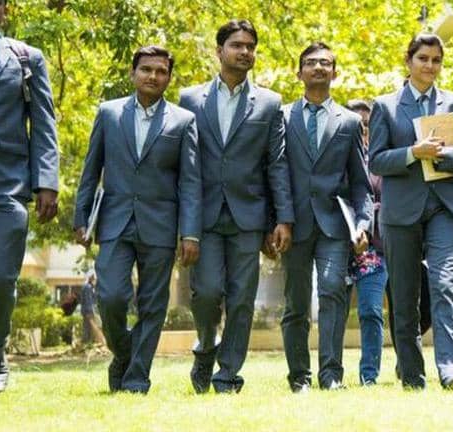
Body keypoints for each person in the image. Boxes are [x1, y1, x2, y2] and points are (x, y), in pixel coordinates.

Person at [74, 45, 201, 393]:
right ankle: (124, 354)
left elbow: (190, 182)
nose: (153, 76)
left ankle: (136, 378)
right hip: (114, 221)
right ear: (133, 73)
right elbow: (91, 170)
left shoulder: (183, 121)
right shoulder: (109, 113)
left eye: (161, 71)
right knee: (111, 296)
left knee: (153, 306)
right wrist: (81, 217)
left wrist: (190, 233)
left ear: (169, 78)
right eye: (146, 69)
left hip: (161, 225)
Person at [179, 19, 294, 394]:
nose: (244, 52)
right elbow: (184, 165)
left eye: (250, 46)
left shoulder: (270, 103)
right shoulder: (190, 99)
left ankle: (228, 375)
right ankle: (205, 346)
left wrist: (282, 219)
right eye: (236, 45)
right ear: (219, 51)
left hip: (249, 215)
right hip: (204, 215)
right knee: (207, 292)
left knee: (242, 299)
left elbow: (276, 163)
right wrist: (185, 225)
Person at [368, 33, 453, 391]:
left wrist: (442, 153)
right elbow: (376, 160)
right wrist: (413, 153)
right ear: (409, 60)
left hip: (446, 208)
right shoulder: (385, 106)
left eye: (436, 60)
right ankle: (412, 374)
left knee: (444, 283)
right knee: (404, 295)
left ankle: (452, 371)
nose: (430, 65)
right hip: (401, 211)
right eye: (423, 58)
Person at [0, 0, 59, 395]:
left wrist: (47, 181)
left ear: (6, 10)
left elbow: (44, 121)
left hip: (7, 184)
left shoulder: (26, 58)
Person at [279, 43, 372, 392]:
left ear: (335, 72)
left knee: (333, 291)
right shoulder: (281, 117)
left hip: (334, 225)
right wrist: (278, 220)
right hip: (293, 223)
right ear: (299, 71)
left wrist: (363, 224)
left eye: (325, 63)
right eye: (311, 62)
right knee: (296, 303)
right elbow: (275, 173)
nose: (318, 67)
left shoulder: (349, 121)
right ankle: (299, 377)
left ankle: (331, 374)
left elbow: (361, 183)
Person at [345, 99, 388, 386]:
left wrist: (370, 216)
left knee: (373, 310)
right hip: (340, 243)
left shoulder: (381, 157)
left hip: (376, 246)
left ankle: (370, 374)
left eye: (366, 124)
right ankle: (332, 370)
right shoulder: (337, 155)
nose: (362, 130)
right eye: (356, 124)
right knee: (337, 311)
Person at [80, 271, 105, 345]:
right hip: (88, 310)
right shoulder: (88, 287)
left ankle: (87, 341)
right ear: (91, 278)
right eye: (94, 279)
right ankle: (87, 341)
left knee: (87, 326)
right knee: (89, 326)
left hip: (86, 310)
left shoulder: (88, 287)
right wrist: (90, 311)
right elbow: (88, 300)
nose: (95, 280)